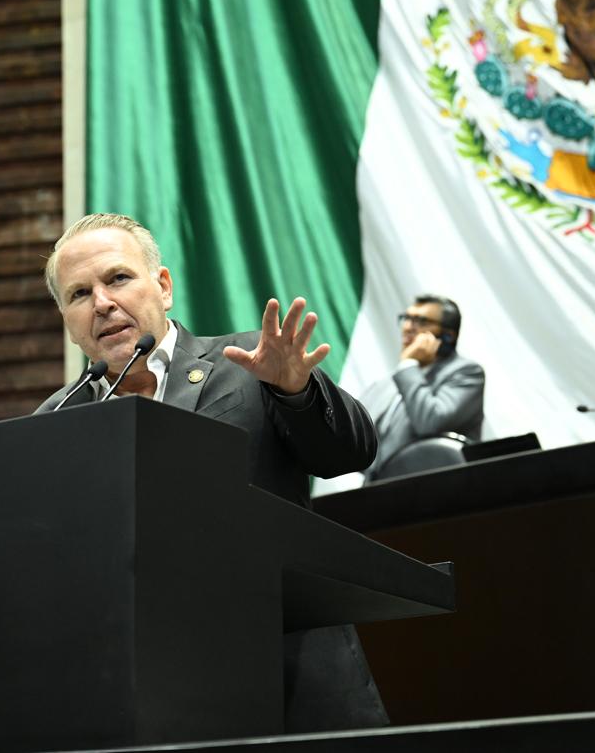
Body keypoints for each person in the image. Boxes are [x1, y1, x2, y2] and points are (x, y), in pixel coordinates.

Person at [35, 212, 386, 730]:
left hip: (286, 670)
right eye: (79, 294)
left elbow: (350, 454)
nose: (102, 303)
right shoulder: (56, 419)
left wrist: (297, 393)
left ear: (163, 286)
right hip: (147, 687)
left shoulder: (249, 363)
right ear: (67, 319)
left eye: (118, 278)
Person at [360, 295, 485, 483]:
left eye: (421, 321)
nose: (408, 327)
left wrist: (409, 364)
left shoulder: (466, 373)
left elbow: (430, 421)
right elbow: (356, 442)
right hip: (380, 489)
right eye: (406, 318)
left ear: (448, 336)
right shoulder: (388, 382)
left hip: (437, 489)